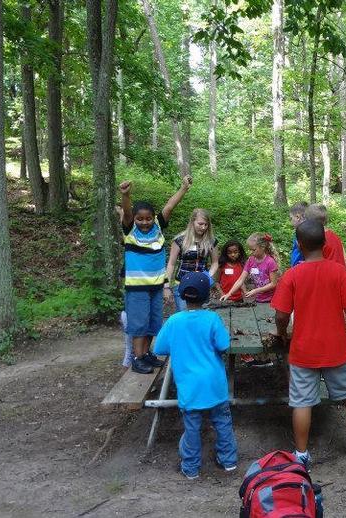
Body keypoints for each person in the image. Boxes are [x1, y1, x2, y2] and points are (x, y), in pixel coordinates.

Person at [271, 219, 346, 469]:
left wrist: (281, 333)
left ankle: (301, 456)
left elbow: (281, 315)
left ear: (299, 245)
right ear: (325, 244)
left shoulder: (292, 275)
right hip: (336, 349)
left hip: (303, 351)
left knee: (301, 401)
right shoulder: (338, 272)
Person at [154, 272, 238, 480]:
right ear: (207, 296)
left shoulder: (174, 321)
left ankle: (191, 468)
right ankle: (229, 462)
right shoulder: (212, 318)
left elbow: (160, 348)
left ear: (181, 295)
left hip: (189, 387)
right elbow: (224, 345)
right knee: (223, 422)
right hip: (215, 384)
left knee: (192, 428)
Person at [120, 178, 190, 374]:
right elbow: (126, 212)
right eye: (140, 219)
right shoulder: (130, 230)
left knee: (153, 323)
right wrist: (125, 195)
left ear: (153, 218)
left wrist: (183, 188)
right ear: (134, 219)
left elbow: (169, 206)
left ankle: (146, 354)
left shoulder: (158, 226)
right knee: (139, 324)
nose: (144, 222)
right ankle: (137, 357)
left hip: (157, 286)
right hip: (137, 288)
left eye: (148, 218)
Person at [166, 208, 219, 312]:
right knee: (184, 313)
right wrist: (167, 285)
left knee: (202, 314)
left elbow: (215, 263)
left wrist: (208, 276)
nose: (203, 227)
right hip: (182, 282)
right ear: (192, 222)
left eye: (206, 225)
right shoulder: (179, 240)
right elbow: (171, 264)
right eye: (200, 224)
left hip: (202, 282)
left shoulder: (212, 241)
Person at [220, 233, 279, 304]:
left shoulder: (270, 262)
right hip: (258, 299)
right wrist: (229, 293)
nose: (250, 252)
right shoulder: (251, 260)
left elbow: (273, 284)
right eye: (249, 249)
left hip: (272, 299)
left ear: (262, 247)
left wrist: (256, 290)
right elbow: (240, 280)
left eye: (253, 250)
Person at [304, 203, 346, 272]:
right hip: (340, 275)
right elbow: (345, 258)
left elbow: (315, 263)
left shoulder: (316, 239)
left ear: (310, 222)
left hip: (327, 276)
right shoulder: (335, 236)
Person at [289, 201, 308, 267]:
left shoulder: (307, 233)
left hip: (302, 269)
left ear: (297, 217)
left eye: (291, 218)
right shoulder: (298, 231)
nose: (290, 222)